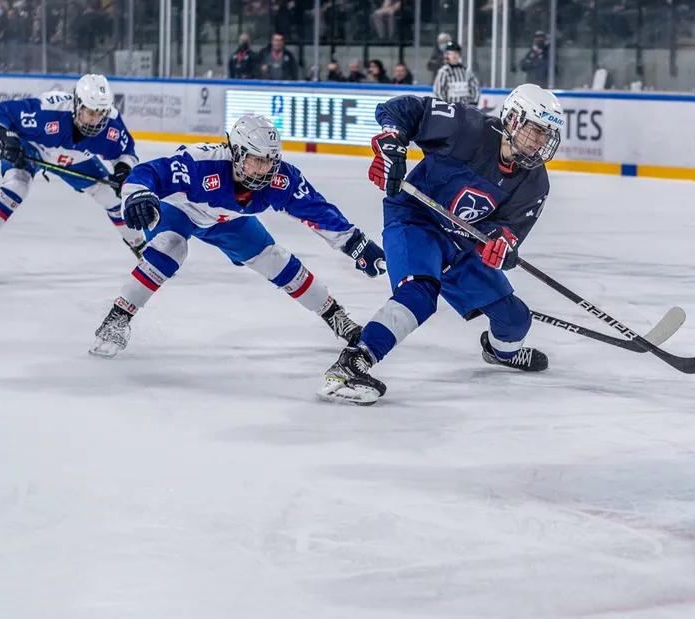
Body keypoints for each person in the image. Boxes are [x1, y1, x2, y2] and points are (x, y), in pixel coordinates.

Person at [317, 84, 564, 405]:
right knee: (419, 294)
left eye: (548, 135)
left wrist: (499, 244)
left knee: (516, 319)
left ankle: (500, 354)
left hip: (461, 243)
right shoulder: (468, 128)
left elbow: (508, 231)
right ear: (514, 119)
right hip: (415, 219)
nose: (542, 141)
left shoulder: (535, 182)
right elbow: (401, 109)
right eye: (537, 130)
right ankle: (354, 361)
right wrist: (391, 148)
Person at [88, 115, 385, 358]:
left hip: (227, 220)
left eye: (269, 161)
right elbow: (149, 172)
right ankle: (118, 317)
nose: (263, 170)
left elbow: (318, 212)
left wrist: (354, 242)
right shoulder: (201, 164)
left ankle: (335, 315)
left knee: (274, 259)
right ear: (236, 153)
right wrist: (138, 195)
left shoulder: (281, 179)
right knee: (171, 247)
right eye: (255, 161)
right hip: (182, 210)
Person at [0, 74, 144, 283]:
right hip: (33, 149)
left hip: (76, 158)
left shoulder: (112, 124)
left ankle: (142, 248)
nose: (95, 120)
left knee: (113, 197)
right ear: (77, 105)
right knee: (16, 185)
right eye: (90, 112)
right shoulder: (47, 110)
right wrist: (6, 139)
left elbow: (127, 151)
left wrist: (123, 170)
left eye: (100, 114)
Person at [432, 41, 480, 106]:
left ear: (459, 55)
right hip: (449, 111)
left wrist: (472, 104)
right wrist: (444, 106)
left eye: (456, 53)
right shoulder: (443, 72)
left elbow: (475, 87)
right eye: (451, 53)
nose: (454, 55)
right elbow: (438, 91)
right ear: (447, 55)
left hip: (465, 111)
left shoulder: (466, 71)